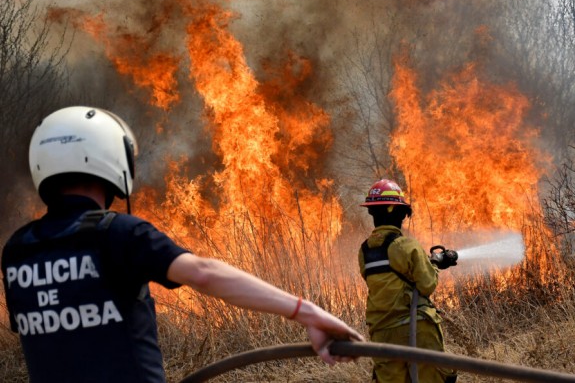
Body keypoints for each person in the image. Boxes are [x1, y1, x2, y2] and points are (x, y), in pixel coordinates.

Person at [1, 106, 364, 383]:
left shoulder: (18, 250)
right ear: (113, 158)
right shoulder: (119, 233)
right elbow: (204, 274)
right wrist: (308, 312)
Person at [358, 179, 457, 383]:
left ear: (371, 213)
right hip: (416, 327)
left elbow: (388, 278)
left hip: (382, 332)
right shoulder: (407, 246)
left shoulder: (364, 250)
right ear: (401, 213)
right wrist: (435, 265)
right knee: (433, 377)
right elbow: (427, 284)